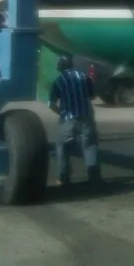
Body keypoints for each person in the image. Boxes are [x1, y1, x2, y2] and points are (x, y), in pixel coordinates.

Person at [48, 54, 102, 186]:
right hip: (86, 116)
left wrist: (60, 112)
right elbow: (93, 96)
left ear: (60, 67)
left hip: (68, 118)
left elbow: (51, 104)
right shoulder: (83, 76)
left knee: (62, 145)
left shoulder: (59, 81)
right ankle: (94, 177)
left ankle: (63, 177)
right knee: (90, 145)